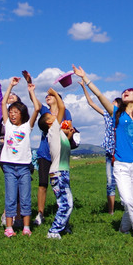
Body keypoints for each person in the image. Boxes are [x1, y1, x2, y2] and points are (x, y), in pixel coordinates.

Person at [73, 65, 133, 239]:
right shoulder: (116, 113)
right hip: (121, 164)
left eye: (130, 91)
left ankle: (124, 228)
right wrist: (86, 78)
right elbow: (100, 96)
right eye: (124, 91)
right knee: (127, 200)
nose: (125, 92)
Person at [0, 68, 40, 237]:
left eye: (16, 112)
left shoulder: (27, 126)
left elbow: (37, 108)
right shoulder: (7, 125)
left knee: (25, 197)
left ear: (22, 114)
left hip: (24, 167)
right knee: (10, 197)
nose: (12, 114)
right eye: (11, 112)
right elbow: (3, 103)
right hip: (9, 166)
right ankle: (9, 228)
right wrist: (10, 85)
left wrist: (31, 91)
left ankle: (26, 227)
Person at [40, 88, 79, 239]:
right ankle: (54, 230)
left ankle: (65, 226)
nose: (54, 116)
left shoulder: (59, 134)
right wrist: (54, 93)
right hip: (58, 173)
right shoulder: (52, 130)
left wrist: (71, 131)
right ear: (49, 122)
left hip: (62, 172)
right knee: (66, 203)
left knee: (65, 200)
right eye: (51, 116)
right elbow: (62, 107)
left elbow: (68, 136)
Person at [34, 83, 73, 226]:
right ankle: (42, 215)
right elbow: (37, 104)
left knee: (61, 191)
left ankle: (62, 216)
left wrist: (69, 133)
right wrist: (32, 88)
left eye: (51, 96)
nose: (47, 96)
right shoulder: (50, 119)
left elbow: (67, 131)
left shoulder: (63, 115)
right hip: (46, 154)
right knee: (44, 184)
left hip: (59, 156)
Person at [80, 82, 118, 215]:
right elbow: (91, 103)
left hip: (121, 153)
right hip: (109, 153)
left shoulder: (122, 117)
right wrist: (83, 87)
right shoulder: (107, 115)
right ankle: (111, 211)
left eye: (114, 103)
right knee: (109, 181)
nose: (111, 105)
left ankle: (128, 207)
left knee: (123, 180)